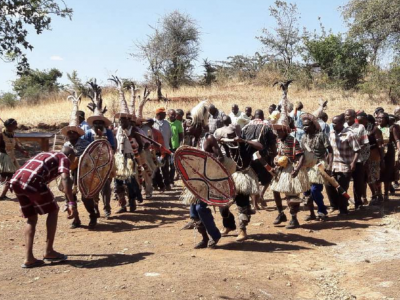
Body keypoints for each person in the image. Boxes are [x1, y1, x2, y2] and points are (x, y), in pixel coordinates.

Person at [10, 147, 76, 268]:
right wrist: (71, 203)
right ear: (71, 156)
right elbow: (65, 178)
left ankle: (29, 258)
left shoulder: (45, 153)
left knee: (31, 218)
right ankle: (49, 251)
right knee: (53, 210)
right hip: (33, 182)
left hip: (16, 180)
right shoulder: (64, 158)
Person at [85, 82, 115, 219]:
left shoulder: (108, 133)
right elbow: (84, 148)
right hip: (91, 164)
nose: (98, 124)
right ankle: (95, 207)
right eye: (95, 122)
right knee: (92, 187)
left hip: (105, 162)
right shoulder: (88, 133)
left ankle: (107, 207)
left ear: (103, 123)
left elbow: (113, 147)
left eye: (100, 122)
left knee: (106, 187)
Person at [325, 115, 360, 215]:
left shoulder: (349, 134)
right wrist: (328, 164)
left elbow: (357, 150)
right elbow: (330, 151)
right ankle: (334, 205)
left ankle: (343, 209)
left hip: (345, 166)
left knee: (342, 188)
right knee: (328, 186)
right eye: (332, 122)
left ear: (341, 123)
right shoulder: (331, 133)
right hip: (333, 165)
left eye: (335, 123)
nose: (333, 125)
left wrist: (353, 163)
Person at [300, 114, 333, 221]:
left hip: (319, 164)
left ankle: (322, 210)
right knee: (306, 192)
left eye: (307, 125)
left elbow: (330, 150)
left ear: (313, 125)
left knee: (315, 189)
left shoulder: (321, 135)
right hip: (307, 165)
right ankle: (312, 213)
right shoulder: (304, 137)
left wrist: (330, 165)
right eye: (303, 126)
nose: (305, 128)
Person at [344, 109, 370, 210]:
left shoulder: (360, 127)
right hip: (345, 160)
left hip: (358, 160)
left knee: (358, 182)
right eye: (346, 116)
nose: (347, 118)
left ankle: (358, 203)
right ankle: (344, 203)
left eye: (349, 116)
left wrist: (363, 158)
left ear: (354, 116)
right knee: (344, 183)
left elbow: (365, 144)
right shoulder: (343, 127)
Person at [357, 114, 384, 205]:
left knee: (374, 175)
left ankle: (378, 194)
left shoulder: (375, 129)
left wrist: (382, 159)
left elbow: (380, 145)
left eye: (360, 121)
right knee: (365, 176)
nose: (359, 122)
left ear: (366, 120)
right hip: (362, 156)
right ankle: (367, 196)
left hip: (373, 155)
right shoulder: (359, 129)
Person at [0, 118, 29, 200]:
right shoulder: (1, 134)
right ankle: (2, 195)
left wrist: (22, 151)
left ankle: (2, 195)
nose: (15, 127)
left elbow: (15, 145)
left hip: (11, 157)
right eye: (14, 126)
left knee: (9, 176)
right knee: (7, 176)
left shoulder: (12, 134)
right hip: (3, 157)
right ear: (9, 126)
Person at [376, 112, 400, 201]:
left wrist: (399, 150)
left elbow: (397, 140)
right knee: (377, 173)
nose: (379, 119)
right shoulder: (375, 128)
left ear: (386, 119)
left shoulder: (392, 128)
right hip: (377, 152)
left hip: (389, 152)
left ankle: (386, 193)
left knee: (387, 172)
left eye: (381, 118)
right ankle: (379, 193)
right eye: (378, 118)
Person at [153, 107, 172, 190]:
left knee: (165, 168)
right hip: (155, 150)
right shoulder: (152, 124)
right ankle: (157, 184)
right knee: (155, 168)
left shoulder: (167, 124)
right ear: (158, 115)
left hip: (165, 149)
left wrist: (170, 148)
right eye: (164, 114)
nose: (165, 115)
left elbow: (169, 137)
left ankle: (167, 184)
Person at [167, 109, 183, 186]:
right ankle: (165, 180)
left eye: (174, 114)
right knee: (165, 165)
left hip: (175, 147)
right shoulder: (166, 123)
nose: (173, 116)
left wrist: (180, 145)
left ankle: (170, 181)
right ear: (168, 115)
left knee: (172, 165)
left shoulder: (178, 123)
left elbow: (181, 135)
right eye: (171, 114)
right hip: (166, 147)